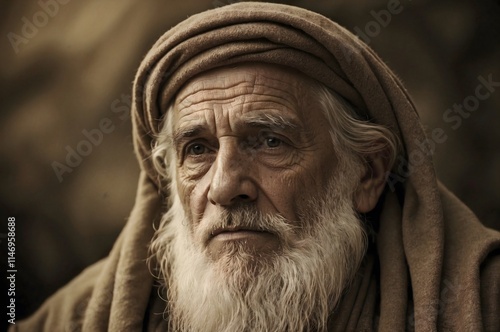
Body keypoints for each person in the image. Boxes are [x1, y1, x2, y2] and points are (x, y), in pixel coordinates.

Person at [13, 2, 500, 331]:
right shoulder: (76, 319)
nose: (224, 187)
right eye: (197, 150)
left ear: (368, 174)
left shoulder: (483, 300)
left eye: (269, 141)